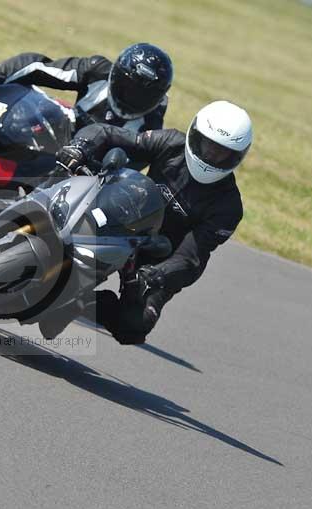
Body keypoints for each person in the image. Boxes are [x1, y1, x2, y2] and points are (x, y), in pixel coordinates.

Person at [50, 100, 252, 344]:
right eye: (208, 145)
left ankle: (80, 304)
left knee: (134, 326)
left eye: (222, 152)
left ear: (237, 156)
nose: (211, 155)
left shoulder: (228, 206)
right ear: (195, 134)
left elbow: (192, 256)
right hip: (123, 216)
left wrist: (159, 275)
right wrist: (80, 147)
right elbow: (108, 133)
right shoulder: (171, 142)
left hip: (156, 255)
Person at [0, 43, 173, 134]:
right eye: (128, 87)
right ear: (115, 75)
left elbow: (135, 166)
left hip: (86, 180)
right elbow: (38, 67)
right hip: (55, 139)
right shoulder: (97, 70)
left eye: (142, 94)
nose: (131, 96)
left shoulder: (151, 123)